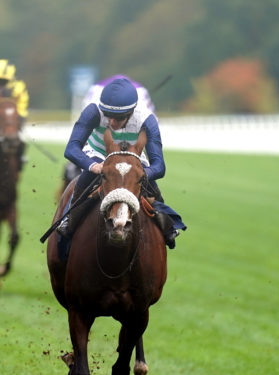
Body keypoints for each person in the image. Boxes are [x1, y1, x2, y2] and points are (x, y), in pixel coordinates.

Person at [57, 76, 185, 248]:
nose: (111, 122)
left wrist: (139, 174)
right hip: (99, 154)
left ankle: (166, 225)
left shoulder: (147, 119)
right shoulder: (93, 111)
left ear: (130, 112)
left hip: (134, 159)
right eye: (108, 116)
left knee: (152, 186)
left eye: (117, 118)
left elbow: (159, 166)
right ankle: (69, 221)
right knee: (85, 178)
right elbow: (71, 148)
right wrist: (93, 165)